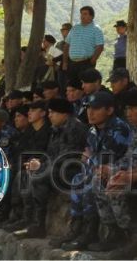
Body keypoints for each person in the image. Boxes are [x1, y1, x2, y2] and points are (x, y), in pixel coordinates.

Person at [91, 88, 137, 258]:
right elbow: (129, 157)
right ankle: (114, 233)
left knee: (117, 187)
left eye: (132, 108)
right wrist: (111, 169)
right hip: (135, 173)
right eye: (126, 109)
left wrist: (117, 172)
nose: (128, 113)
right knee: (98, 180)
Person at [61, 91, 131, 251]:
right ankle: (78, 226)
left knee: (90, 181)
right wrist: (89, 160)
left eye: (96, 108)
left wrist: (90, 159)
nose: (90, 112)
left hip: (117, 171)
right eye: (88, 108)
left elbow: (104, 160)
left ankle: (93, 231)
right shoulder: (93, 130)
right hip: (98, 170)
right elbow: (87, 157)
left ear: (109, 110)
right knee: (78, 178)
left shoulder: (119, 128)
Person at [41, 98, 90, 249]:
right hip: (58, 167)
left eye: (53, 112)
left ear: (64, 114)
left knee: (39, 175)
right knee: (27, 175)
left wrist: (43, 166)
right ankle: (31, 220)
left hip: (71, 169)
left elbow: (67, 156)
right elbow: (50, 153)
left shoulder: (75, 127)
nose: (49, 116)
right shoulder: (56, 128)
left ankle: (38, 223)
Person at [7, 101, 52, 238]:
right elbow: (21, 152)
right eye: (29, 111)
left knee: (25, 177)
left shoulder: (48, 131)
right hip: (28, 166)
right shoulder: (30, 132)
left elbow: (49, 154)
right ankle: (19, 217)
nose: (29, 113)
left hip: (45, 167)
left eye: (33, 110)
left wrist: (37, 163)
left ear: (43, 113)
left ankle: (34, 223)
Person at [62, 6, 105, 83]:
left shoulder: (96, 29)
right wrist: (65, 62)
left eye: (85, 14)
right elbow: (67, 45)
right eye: (81, 14)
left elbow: (100, 47)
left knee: (85, 86)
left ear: (91, 16)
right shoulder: (75, 28)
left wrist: (92, 61)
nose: (82, 16)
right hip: (72, 63)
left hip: (86, 63)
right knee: (72, 86)